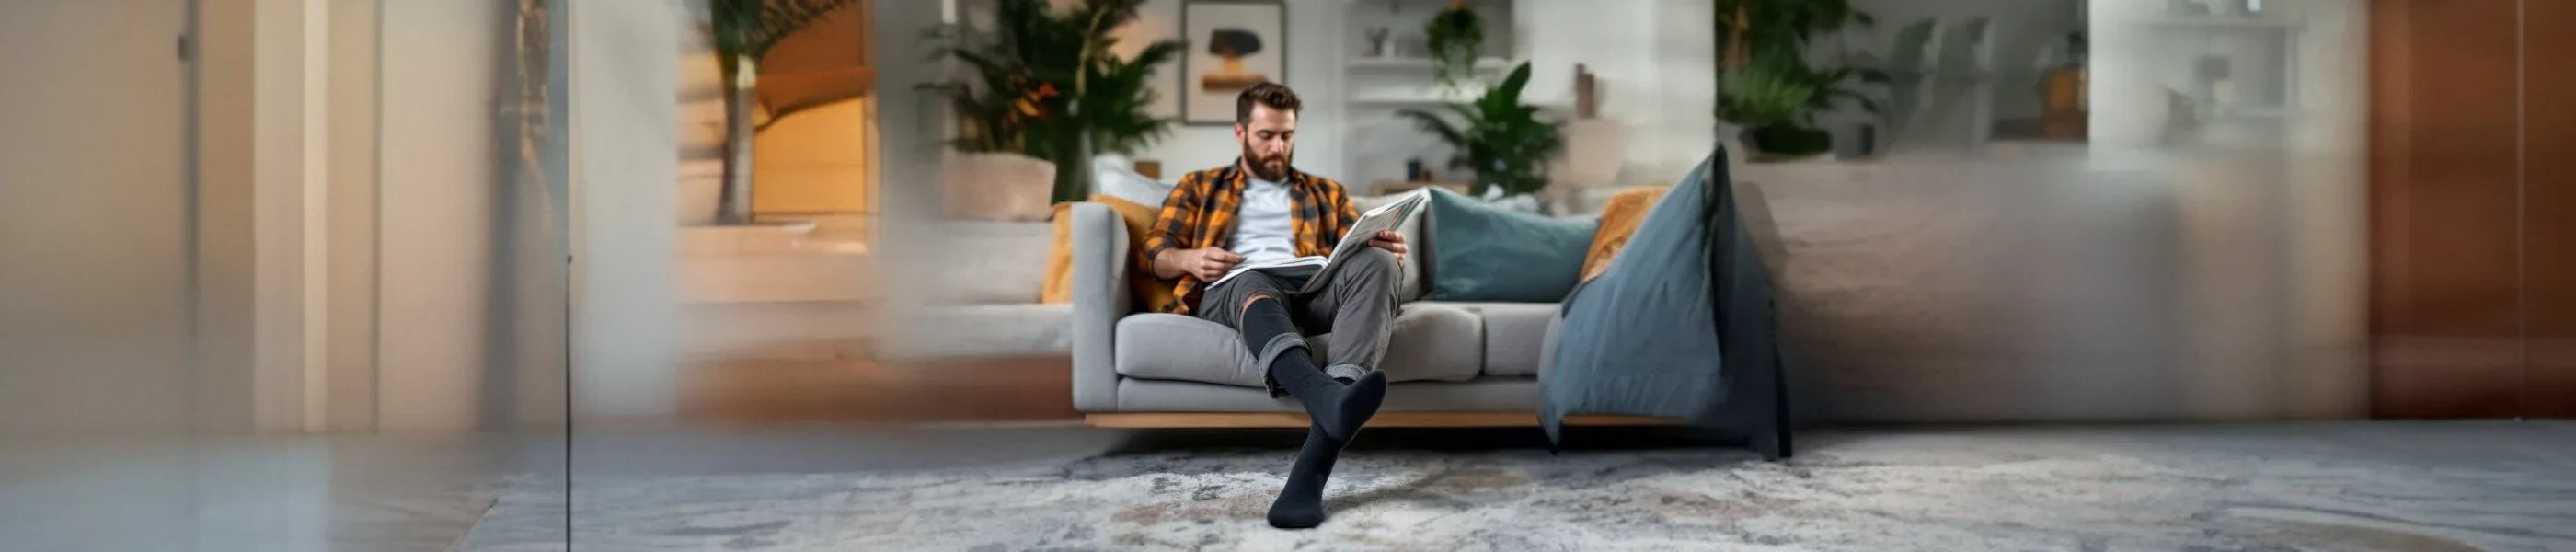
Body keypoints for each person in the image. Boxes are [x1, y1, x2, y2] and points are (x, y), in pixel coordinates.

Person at [1142, 82, 1407, 529]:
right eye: (1267, 136)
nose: (1278, 147)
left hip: (1312, 290)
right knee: (1252, 277)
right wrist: (1189, 258)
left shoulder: (1325, 192)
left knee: (1379, 265)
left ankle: (1334, 404)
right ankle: (1312, 466)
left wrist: (1385, 245)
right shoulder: (1199, 186)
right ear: (1241, 132)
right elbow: (1153, 250)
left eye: (1286, 136)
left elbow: (1354, 244)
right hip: (1235, 286)